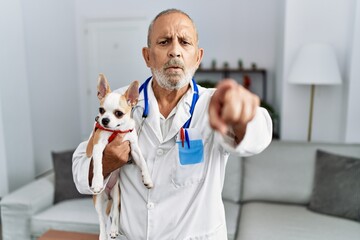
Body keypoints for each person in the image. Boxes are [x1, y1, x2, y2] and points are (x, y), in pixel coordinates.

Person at [73, 8, 272, 240]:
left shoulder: (214, 104)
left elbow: (258, 136)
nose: (175, 51)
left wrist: (241, 117)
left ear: (197, 57)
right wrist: (106, 161)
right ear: (147, 56)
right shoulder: (119, 103)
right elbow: (80, 173)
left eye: (185, 42)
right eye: (164, 41)